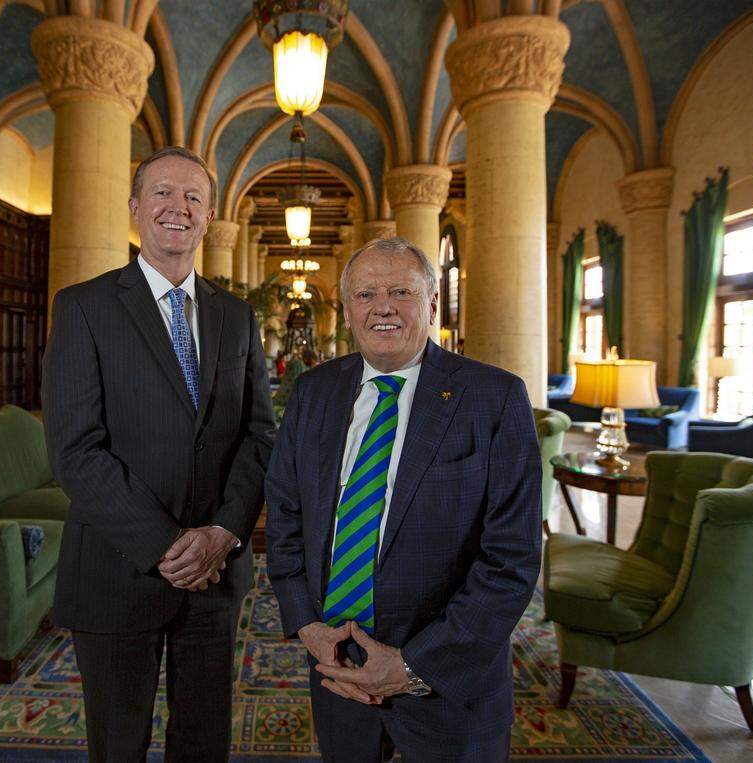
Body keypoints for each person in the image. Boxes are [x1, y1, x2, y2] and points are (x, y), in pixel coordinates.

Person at [264, 237, 542, 762]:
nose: (383, 306)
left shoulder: (494, 398)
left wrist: (414, 666)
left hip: (449, 687)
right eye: (366, 294)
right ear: (347, 310)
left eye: (400, 292)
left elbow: (511, 560)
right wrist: (307, 625)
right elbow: (284, 514)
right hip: (337, 668)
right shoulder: (314, 391)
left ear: (432, 303)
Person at [42, 146, 274, 762]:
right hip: (120, 568)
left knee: (203, 744)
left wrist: (223, 532)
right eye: (164, 193)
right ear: (136, 208)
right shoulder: (84, 307)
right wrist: (167, 547)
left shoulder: (236, 316)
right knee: (118, 747)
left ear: (209, 216)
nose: (179, 207)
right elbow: (75, 449)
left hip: (215, 574)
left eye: (194, 197)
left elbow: (259, 435)